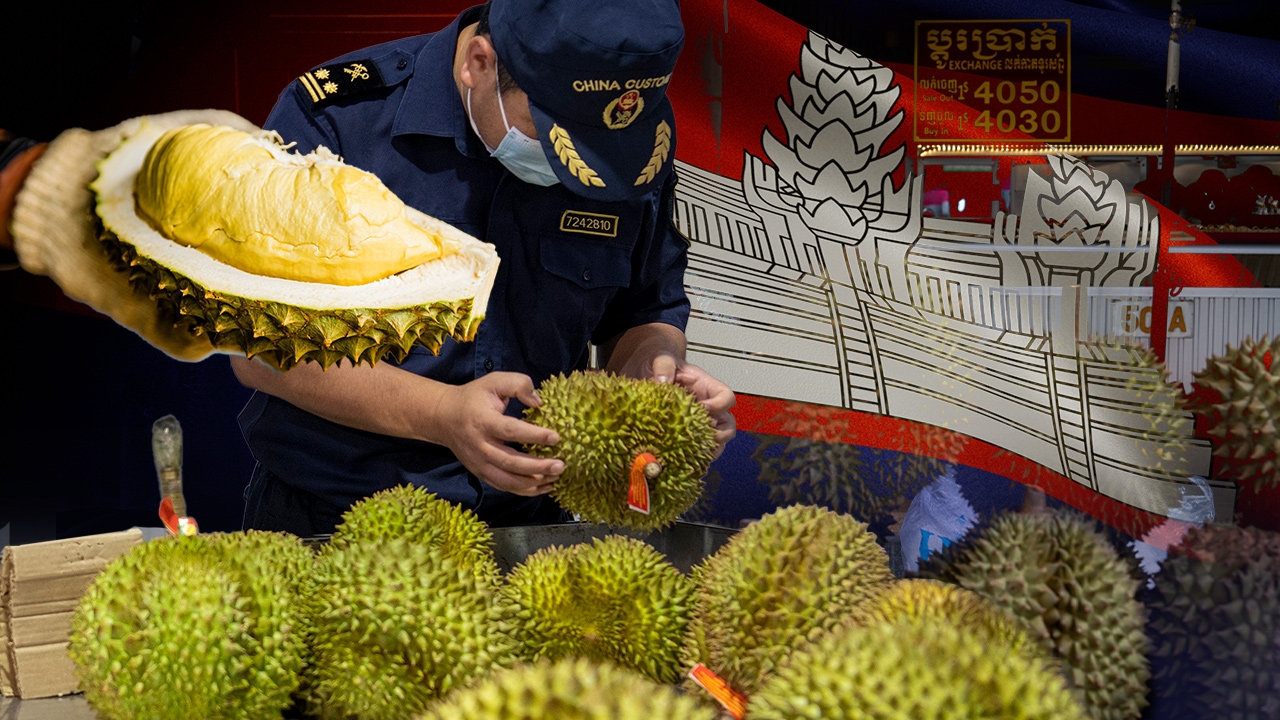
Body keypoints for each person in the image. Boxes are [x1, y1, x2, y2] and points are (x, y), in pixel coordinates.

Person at [228, 0, 737, 535]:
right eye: (555, 133)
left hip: (533, 529)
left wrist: (656, 384)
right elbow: (260, 346)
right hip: (333, 520)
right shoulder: (338, 123)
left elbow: (644, 308)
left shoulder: (624, 142)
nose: (576, 169)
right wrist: (441, 413)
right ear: (478, 62)